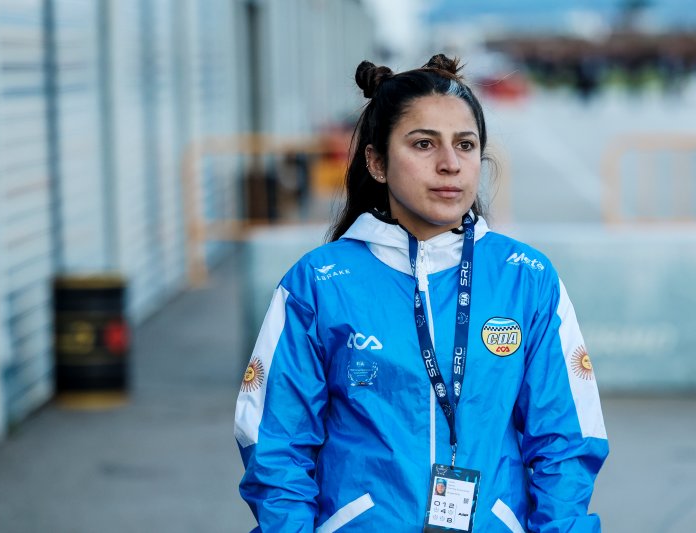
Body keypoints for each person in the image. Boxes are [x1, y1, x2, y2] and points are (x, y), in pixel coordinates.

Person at [234, 54, 609, 532]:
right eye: (423, 144)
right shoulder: (319, 283)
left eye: (465, 145)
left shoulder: (527, 278)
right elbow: (275, 444)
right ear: (377, 162)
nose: (450, 164)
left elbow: (566, 443)